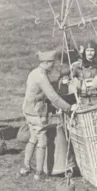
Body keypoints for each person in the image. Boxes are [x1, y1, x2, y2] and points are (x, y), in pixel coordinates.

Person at [20, 50, 75, 180]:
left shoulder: (34, 72)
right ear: (46, 63)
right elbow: (53, 97)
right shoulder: (41, 77)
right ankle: (39, 173)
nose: (53, 66)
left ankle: (25, 167)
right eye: (52, 63)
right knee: (42, 140)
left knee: (33, 137)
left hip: (28, 110)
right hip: (36, 112)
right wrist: (69, 107)